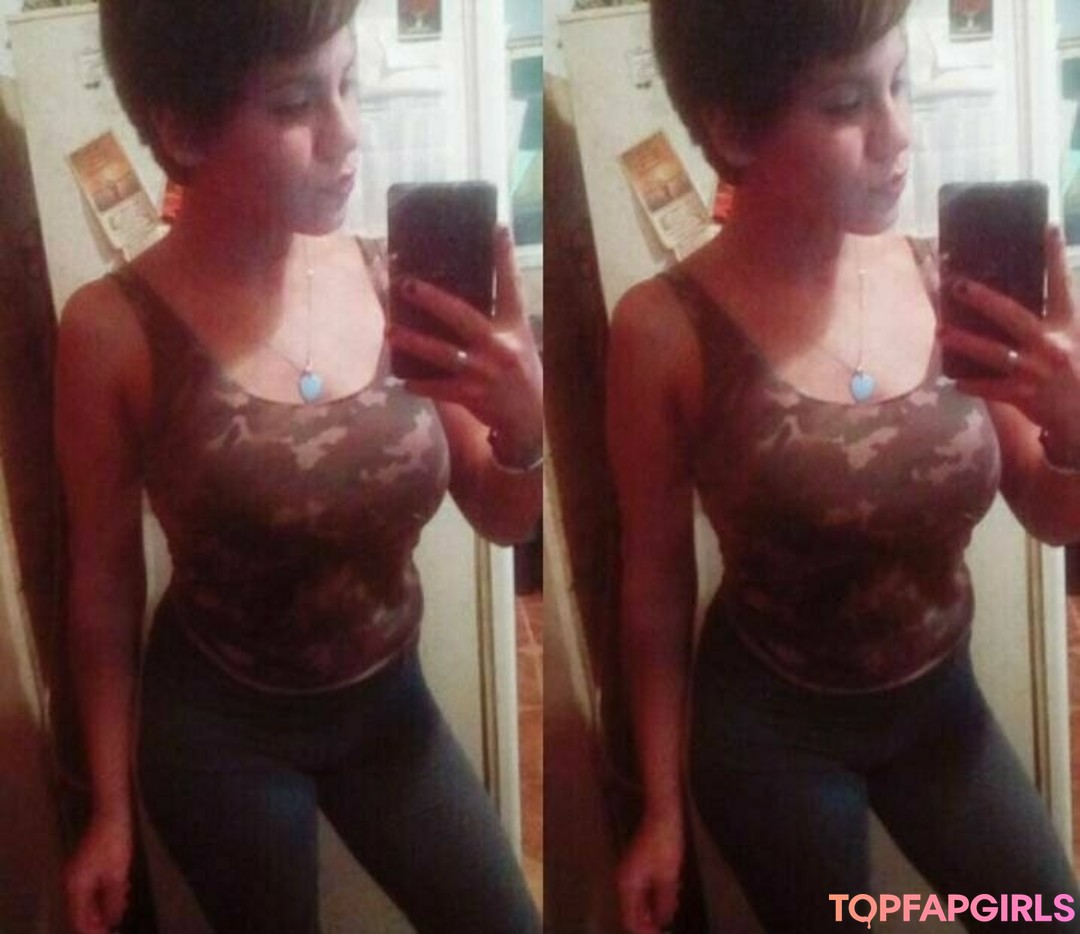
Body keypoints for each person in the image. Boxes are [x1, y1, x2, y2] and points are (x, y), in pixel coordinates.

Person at [56, 1, 543, 932]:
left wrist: (525, 430)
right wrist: (109, 811)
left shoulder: (394, 279)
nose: (347, 132)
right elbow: (102, 587)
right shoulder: (111, 330)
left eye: (348, 83)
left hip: (390, 710)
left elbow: (503, 515)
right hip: (220, 732)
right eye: (294, 103)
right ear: (182, 130)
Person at [608, 2, 1080, 932]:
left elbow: (1050, 512)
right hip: (771, 736)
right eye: (846, 103)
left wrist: (1073, 424)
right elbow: (654, 582)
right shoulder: (662, 329)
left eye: (900, 84)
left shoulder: (950, 281)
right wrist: (661, 810)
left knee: (1042, 916)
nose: (898, 136)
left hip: (940, 709)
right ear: (733, 132)